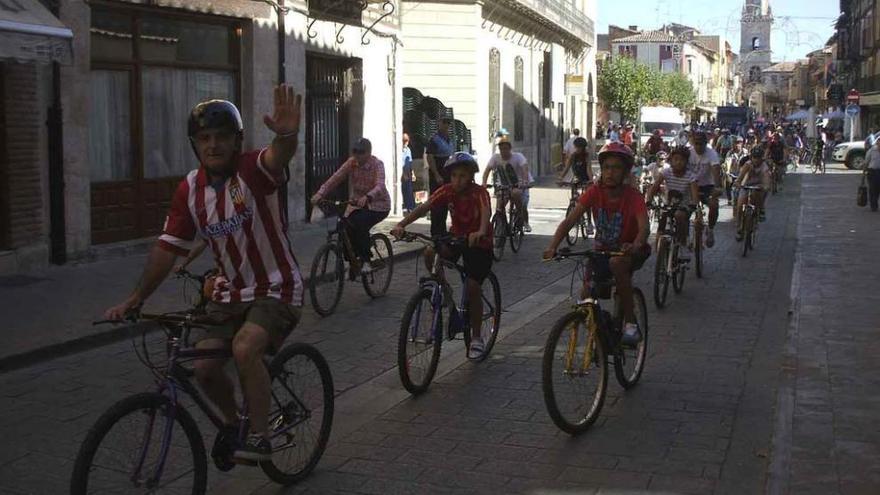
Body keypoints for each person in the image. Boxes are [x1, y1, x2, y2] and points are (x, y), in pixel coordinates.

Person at [104, 87, 304, 462]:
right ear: (195, 144)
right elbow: (167, 250)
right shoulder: (190, 190)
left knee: (245, 347)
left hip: (277, 288)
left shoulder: (251, 169)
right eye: (205, 138)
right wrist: (136, 299)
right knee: (204, 367)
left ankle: (261, 437)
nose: (213, 145)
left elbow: (278, 157)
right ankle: (234, 425)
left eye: (222, 137)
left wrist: (287, 135)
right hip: (230, 296)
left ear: (237, 141)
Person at [543, 142, 650, 345]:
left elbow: (644, 227)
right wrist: (553, 246)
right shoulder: (594, 192)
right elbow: (570, 220)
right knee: (587, 295)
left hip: (630, 251)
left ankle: (630, 322)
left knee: (617, 266)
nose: (610, 172)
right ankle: (598, 334)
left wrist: (636, 244)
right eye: (607, 167)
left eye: (616, 168)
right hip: (602, 251)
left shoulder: (633, 196)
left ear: (626, 171)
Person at [392, 153, 493, 359]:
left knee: (473, 287)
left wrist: (481, 231)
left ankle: (476, 338)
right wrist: (402, 225)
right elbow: (423, 207)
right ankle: (446, 294)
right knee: (430, 251)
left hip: (479, 243)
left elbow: (486, 213)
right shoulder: (447, 191)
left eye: (463, 176)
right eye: (454, 175)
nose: (457, 180)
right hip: (457, 239)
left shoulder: (479, 193)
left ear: (471, 176)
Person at [311, 137, 391, 274]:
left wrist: (368, 197)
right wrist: (320, 194)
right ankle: (353, 261)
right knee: (345, 226)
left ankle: (366, 260)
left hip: (378, 205)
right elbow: (335, 178)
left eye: (361, 152)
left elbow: (380, 185)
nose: (357, 155)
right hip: (356, 204)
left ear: (369, 153)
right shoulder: (351, 162)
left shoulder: (377, 164)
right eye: (355, 151)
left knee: (360, 223)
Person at [645, 146, 700, 248]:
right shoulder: (666, 172)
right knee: (662, 221)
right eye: (676, 159)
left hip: (685, 206)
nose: (678, 162)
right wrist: (648, 200)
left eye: (682, 160)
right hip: (669, 205)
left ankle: (683, 244)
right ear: (671, 161)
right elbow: (654, 187)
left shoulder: (690, 176)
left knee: (679, 215)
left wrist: (693, 204)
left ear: (686, 162)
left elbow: (694, 194)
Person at [482, 136, 531, 231]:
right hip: (503, 184)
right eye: (501, 149)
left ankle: (521, 216)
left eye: (505, 148)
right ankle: (500, 224)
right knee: (499, 205)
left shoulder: (518, 157)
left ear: (510, 149)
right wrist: (484, 183)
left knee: (516, 194)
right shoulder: (496, 158)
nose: (503, 151)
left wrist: (524, 182)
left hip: (518, 183)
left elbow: (525, 169)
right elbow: (487, 171)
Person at [689, 131, 722, 248]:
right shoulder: (689, 153)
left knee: (714, 205)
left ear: (705, 143)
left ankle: (711, 229)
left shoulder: (711, 154)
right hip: (690, 185)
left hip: (707, 185)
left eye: (701, 144)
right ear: (693, 143)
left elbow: (715, 169)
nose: (698, 146)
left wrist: (717, 187)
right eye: (696, 143)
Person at [426, 117, 456, 235]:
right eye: (444, 122)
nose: (446, 125)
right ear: (439, 123)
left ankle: (443, 232)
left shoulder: (450, 139)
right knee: (437, 203)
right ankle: (436, 233)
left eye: (448, 123)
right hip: (438, 175)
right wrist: (436, 174)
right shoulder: (434, 139)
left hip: (448, 175)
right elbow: (430, 157)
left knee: (446, 203)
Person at [734, 146, 772, 239]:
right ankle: (739, 227)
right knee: (739, 205)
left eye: (758, 157)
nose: (756, 160)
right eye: (754, 157)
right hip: (746, 185)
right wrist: (738, 183)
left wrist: (765, 186)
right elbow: (740, 177)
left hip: (759, 186)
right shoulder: (747, 164)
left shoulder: (764, 167)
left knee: (761, 194)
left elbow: (766, 180)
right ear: (751, 157)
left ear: (761, 158)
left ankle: (761, 209)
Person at [724, 136, 748, 205]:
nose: (737, 145)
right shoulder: (730, 153)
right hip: (732, 174)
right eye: (735, 143)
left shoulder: (746, 152)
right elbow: (728, 162)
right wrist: (727, 172)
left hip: (742, 174)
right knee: (727, 181)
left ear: (742, 144)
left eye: (739, 143)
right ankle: (729, 199)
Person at [401, 133, 416, 213]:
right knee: (404, 191)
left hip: (408, 173)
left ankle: (411, 207)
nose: (406, 143)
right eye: (404, 141)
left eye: (407, 141)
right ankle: (406, 206)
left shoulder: (408, 150)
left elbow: (410, 163)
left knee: (409, 190)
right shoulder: (400, 151)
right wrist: (403, 174)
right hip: (403, 174)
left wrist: (413, 173)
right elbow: (400, 163)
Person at [864, 137, 880, 212]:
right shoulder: (872, 151)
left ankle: (875, 203)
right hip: (872, 172)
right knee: (873, 189)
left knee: (878, 190)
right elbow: (866, 162)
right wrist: (863, 174)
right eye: (879, 143)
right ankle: (873, 205)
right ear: (877, 143)